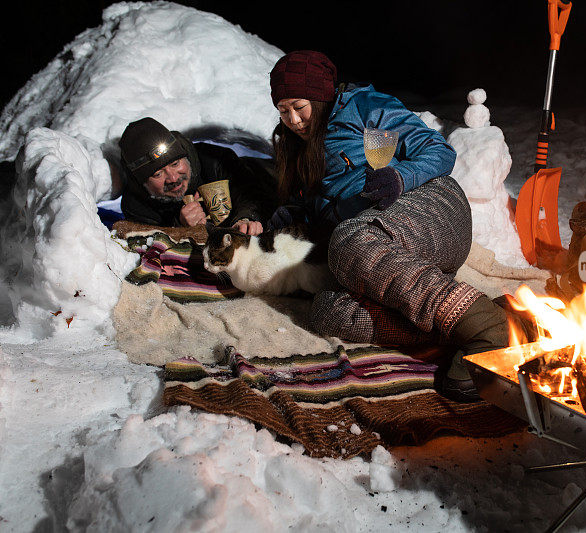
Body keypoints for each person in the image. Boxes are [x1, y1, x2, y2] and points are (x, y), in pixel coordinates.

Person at [267, 50, 533, 402]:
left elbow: (438, 151)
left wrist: (399, 175)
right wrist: (293, 213)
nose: (293, 120)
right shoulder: (298, 145)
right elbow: (325, 197)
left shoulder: (365, 106)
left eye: (299, 107)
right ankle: (474, 319)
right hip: (387, 248)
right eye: (283, 111)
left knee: (347, 242)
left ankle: (489, 330)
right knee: (327, 310)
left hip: (430, 206)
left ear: (320, 94)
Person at [117, 117, 278, 234]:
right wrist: (179, 227)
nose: (173, 178)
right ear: (142, 182)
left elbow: (251, 193)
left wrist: (245, 219)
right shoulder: (137, 206)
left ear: (185, 157)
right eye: (157, 174)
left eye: (175, 164)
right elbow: (150, 240)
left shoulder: (214, 160)